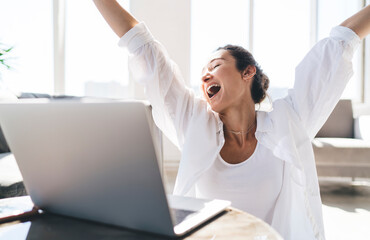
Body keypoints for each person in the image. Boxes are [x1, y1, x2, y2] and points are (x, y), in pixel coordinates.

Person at [93, 1, 370, 239]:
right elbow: (143, 48)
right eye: (203, 72)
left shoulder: (289, 121)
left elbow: (340, 43)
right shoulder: (195, 123)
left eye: (215, 66)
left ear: (247, 72)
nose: (204, 77)